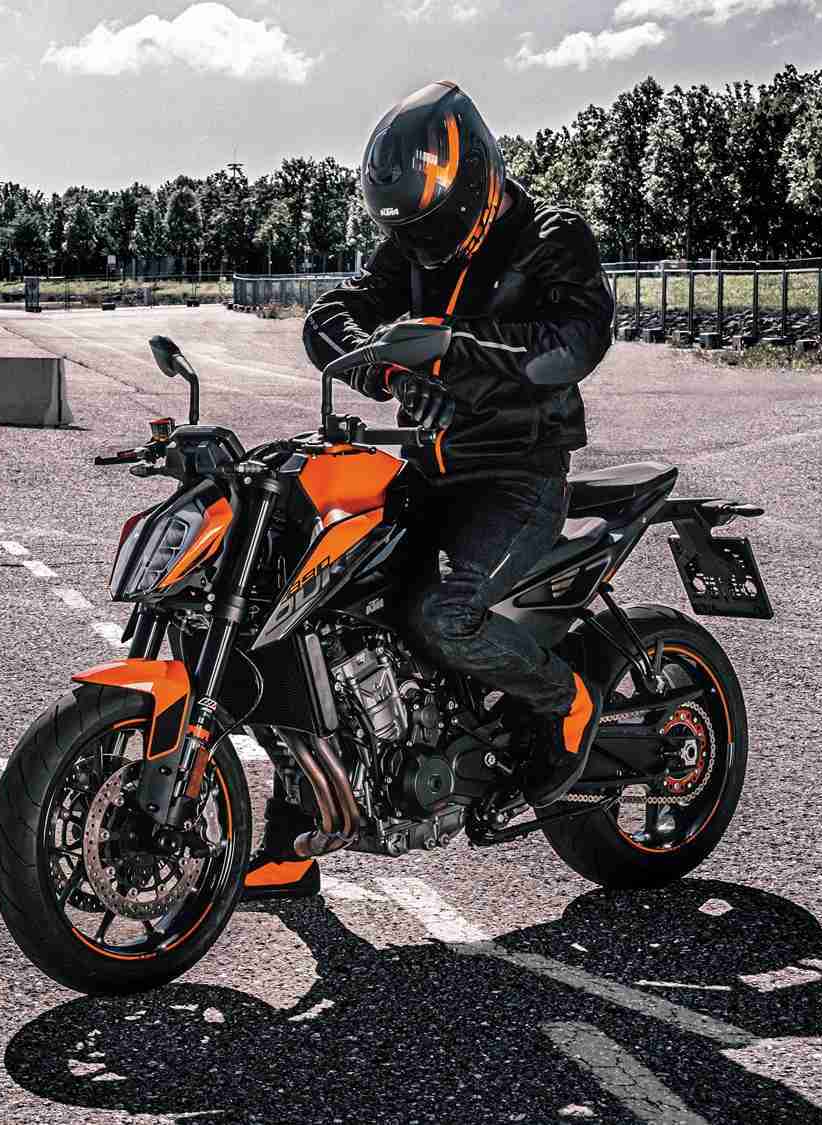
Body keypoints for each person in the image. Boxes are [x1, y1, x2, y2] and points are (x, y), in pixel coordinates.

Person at [246, 80, 617, 900]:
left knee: (443, 614)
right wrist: (379, 363)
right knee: (311, 611)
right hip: (428, 474)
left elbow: (576, 339)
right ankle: (301, 829)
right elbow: (333, 314)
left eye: (429, 227)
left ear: (473, 177)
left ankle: (565, 699)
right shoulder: (415, 249)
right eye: (406, 234)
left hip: (518, 478)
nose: (422, 247)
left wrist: (453, 350)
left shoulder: (549, 237)